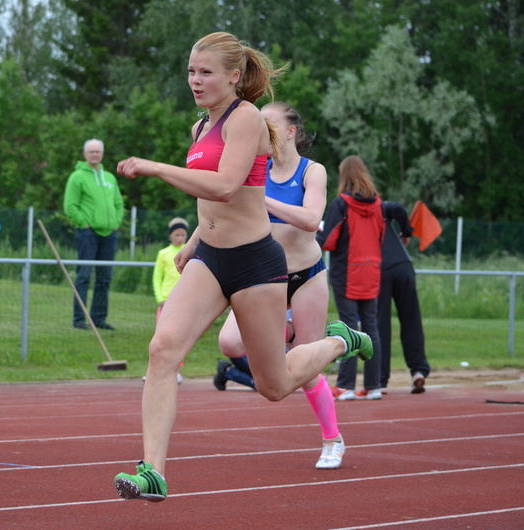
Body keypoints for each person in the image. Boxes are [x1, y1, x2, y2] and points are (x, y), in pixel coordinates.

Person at [112, 32, 372, 502]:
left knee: (274, 385)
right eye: (191, 71)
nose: (195, 80)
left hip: (254, 262)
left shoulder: (247, 117)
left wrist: (156, 167)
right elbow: (215, 202)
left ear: (234, 76)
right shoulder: (200, 127)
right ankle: (153, 471)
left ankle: (340, 340)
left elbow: (226, 186)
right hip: (210, 260)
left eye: (205, 72)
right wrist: (194, 243)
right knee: (162, 350)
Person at [214, 101, 344, 468]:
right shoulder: (255, 167)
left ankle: (332, 439)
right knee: (229, 342)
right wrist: (193, 245)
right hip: (264, 277)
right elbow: (223, 209)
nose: (260, 131)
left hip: (305, 277)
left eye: (267, 124)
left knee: (308, 372)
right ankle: (283, 342)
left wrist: (262, 198)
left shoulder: (311, 171)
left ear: (290, 132)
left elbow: (311, 219)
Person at [317, 155, 384, 401]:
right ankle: (374, 385)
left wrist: (312, 239)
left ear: (344, 175)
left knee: (348, 327)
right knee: (371, 326)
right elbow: (381, 235)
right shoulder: (378, 204)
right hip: (371, 269)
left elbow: (329, 239)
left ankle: (346, 385)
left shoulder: (341, 203)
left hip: (346, 271)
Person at [63, 139, 124, 330]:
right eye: (91, 151)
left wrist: (116, 223)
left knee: (104, 278)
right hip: (88, 234)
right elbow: (70, 206)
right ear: (85, 154)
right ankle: (79, 319)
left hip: (109, 233)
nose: (95, 154)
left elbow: (119, 204)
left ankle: (99, 318)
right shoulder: (77, 177)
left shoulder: (110, 177)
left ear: (102, 154)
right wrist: (84, 225)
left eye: (98, 151)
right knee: (84, 276)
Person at [379, 201, 432, 393]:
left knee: (380, 324)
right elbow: (399, 209)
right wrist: (406, 233)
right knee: (411, 320)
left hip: (379, 269)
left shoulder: (348, 208)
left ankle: (380, 378)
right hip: (403, 265)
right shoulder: (379, 205)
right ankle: (418, 370)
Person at [152, 217, 190, 383]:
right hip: (166, 301)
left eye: (183, 235)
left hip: (184, 300)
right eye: (176, 235)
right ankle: (157, 371)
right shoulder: (163, 254)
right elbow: (157, 277)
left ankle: (176, 370)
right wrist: (160, 298)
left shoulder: (190, 251)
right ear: (170, 235)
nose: (180, 238)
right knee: (161, 337)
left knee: (179, 338)